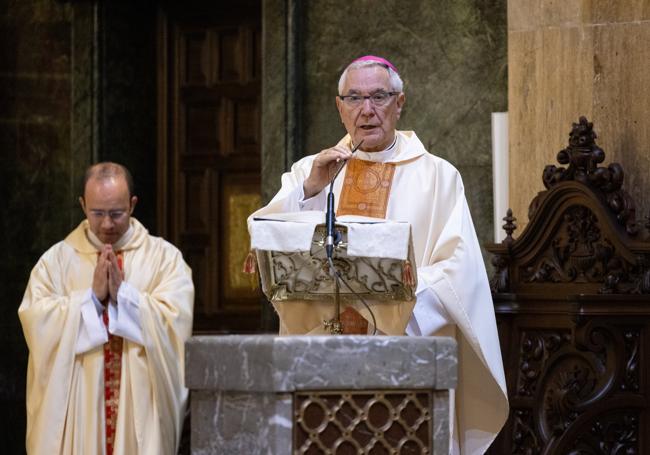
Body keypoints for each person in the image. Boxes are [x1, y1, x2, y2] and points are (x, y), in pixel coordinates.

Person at [249, 56, 508, 454]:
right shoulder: (309, 172)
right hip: (321, 356)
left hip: (405, 351)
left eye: (379, 97)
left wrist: (396, 304)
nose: (366, 110)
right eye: (354, 98)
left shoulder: (437, 176)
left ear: (399, 103)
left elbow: (460, 270)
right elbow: (268, 241)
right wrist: (311, 192)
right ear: (339, 107)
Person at [18, 162, 194, 454]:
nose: (107, 224)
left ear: (132, 204)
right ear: (82, 204)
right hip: (81, 408)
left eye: (116, 213)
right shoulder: (55, 262)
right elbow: (37, 322)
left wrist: (125, 297)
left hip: (138, 409)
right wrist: (91, 300)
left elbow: (174, 323)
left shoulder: (165, 259)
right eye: (97, 213)